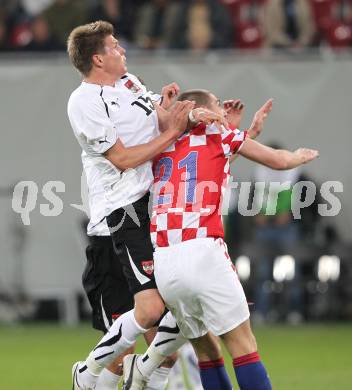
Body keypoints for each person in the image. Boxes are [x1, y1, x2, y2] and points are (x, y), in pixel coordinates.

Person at [122, 89, 319, 390]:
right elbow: (276, 161)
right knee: (243, 344)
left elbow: (207, 166)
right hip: (203, 253)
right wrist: (297, 158)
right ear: (201, 111)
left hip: (165, 262)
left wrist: (247, 131)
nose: (222, 113)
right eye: (217, 106)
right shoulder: (218, 135)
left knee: (207, 352)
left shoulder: (160, 147)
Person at [66, 21, 225, 390]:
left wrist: (181, 111)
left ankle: (99, 375)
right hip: (119, 216)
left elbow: (163, 117)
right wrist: (172, 130)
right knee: (135, 341)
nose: (122, 49)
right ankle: (87, 373)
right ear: (98, 58)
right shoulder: (84, 101)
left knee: (164, 343)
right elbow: (121, 158)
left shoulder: (129, 82)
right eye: (115, 45)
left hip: (153, 210)